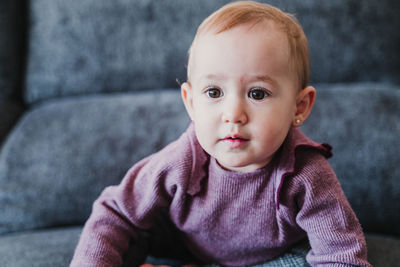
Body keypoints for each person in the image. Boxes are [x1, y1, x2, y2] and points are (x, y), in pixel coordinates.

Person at [70, 1, 371, 266]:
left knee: (300, 262)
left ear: (299, 107)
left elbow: (341, 254)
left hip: (273, 256)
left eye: (257, 93)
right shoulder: (182, 161)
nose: (233, 115)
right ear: (191, 103)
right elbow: (116, 211)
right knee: (128, 237)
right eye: (214, 91)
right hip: (183, 242)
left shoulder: (306, 175)